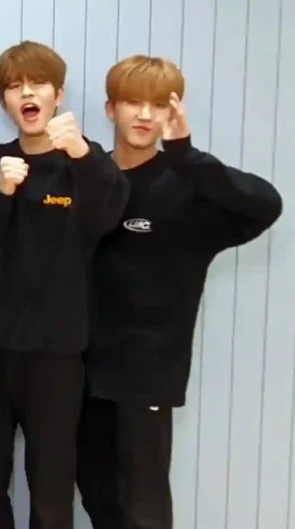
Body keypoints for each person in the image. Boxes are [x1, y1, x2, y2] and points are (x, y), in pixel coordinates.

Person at [76, 55, 283, 529]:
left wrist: (187, 155)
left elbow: (266, 205)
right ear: (111, 109)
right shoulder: (88, 178)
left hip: (147, 375)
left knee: (143, 506)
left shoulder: (190, 190)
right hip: (77, 368)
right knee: (96, 496)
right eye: (133, 102)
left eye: (158, 105)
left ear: (173, 113)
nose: (145, 115)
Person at [0, 40, 130, 529]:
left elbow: (108, 217)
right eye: (15, 87)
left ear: (58, 94)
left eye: (38, 84)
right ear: (4, 101)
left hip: (58, 358)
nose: (27, 94)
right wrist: (1, 193)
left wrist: (82, 154)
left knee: (52, 493)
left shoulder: (86, 164)